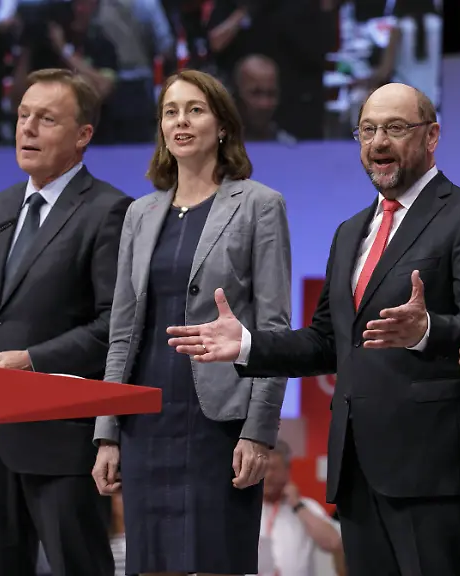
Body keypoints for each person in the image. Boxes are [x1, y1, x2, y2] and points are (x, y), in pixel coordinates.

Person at [167, 82, 460, 575]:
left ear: (432, 136)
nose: (378, 142)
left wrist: (426, 329)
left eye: (395, 128)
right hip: (357, 472)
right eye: (367, 130)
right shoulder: (350, 232)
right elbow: (327, 341)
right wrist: (247, 345)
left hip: (436, 472)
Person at [90, 69, 292, 576]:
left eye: (195, 110)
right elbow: (122, 333)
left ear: (222, 125)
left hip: (219, 424)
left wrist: (259, 431)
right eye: (171, 112)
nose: (181, 121)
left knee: (217, 561)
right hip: (146, 420)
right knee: (153, 564)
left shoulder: (260, 205)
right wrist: (107, 432)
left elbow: (274, 330)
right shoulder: (139, 214)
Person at [0, 68, 132, 576]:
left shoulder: (109, 211)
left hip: (60, 444)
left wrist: (32, 361)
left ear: (82, 135)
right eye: (23, 116)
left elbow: (114, 327)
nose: (27, 128)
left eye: (46, 119)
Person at [258, 440, 342, 576]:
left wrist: (297, 506)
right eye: (263, 469)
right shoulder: (245, 508)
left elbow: (334, 543)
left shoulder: (305, 506)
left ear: (287, 470)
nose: (268, 475)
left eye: (273, 468)